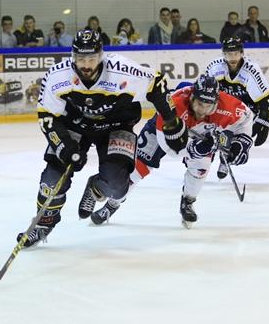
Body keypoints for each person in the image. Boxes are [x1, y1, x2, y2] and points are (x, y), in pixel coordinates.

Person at [16, 29, 188, 247]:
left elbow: (157, 83)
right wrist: (65, 148)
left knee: (117, 187)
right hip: (75, 125)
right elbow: (47, 116)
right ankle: (42, 225)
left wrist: (171, 121)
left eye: (91, 59)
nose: (86, 65)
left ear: (101, 56)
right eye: (81, 59)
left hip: (115, 126)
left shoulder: (122, 70)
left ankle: (95, 188)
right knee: (52, 179)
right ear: (73, 56)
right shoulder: (58, 76)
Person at [90, 75, 253, 228]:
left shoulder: (228, 105)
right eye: (199, 104)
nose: (202, 111)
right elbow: (170, 147)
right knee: (137, 169)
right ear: (192, 97)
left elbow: (246, 119)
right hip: (163, 131)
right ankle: (112, 204)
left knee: (201, 168)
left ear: (216, 103)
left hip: (199, 135)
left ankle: (188, 202)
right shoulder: (172, 106)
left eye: (208, 106)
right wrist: (194, 149)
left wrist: (242, 143)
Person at [205, 37, 269, 178]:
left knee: (238, 141)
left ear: (242, 53)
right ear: (223, 54)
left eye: (236, 54)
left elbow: (266, 98)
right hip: (223, 107)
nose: (233, 58)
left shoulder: (251, 70)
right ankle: (206, 156)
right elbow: (204, 92)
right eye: (229, 54)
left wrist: (264, 121)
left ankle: (225, 157)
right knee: (209, 134)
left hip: (247, 110)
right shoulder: (215, 67)